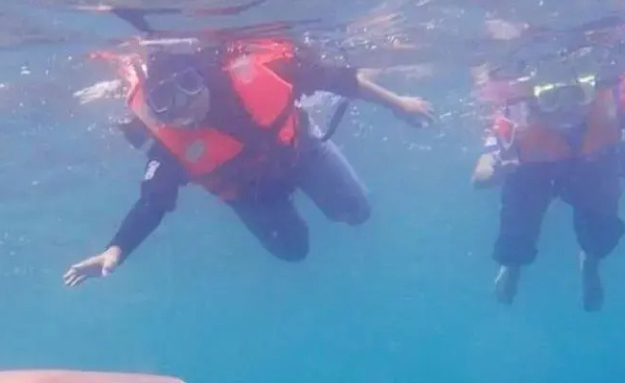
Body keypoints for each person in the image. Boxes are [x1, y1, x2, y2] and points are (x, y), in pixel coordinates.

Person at [63, 35, 436, 284]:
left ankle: (334, 202)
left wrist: (399, 103)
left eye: (189, 86)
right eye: (167, 102)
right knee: (294, 252)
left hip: (301, 152)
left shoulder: (255, 74)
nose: (187, 105)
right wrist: (117, 250)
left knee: (358, 212)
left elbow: (337, 78)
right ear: (155, 111)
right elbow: (152, 203)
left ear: (202, 76)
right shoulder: (173, 148)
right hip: (253, 196)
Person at [469, 60, 625, 311]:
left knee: (601, 224)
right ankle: (512, 264)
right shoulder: (514, 122)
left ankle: (590, 262)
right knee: (518, 218)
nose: (567, 108)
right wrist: (495, 173)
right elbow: (481, 173)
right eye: (552, 98)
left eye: (578, 95)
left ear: (593, 91)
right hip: (535, 169)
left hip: (592, 164)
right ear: (533, 103)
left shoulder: (613, 102)